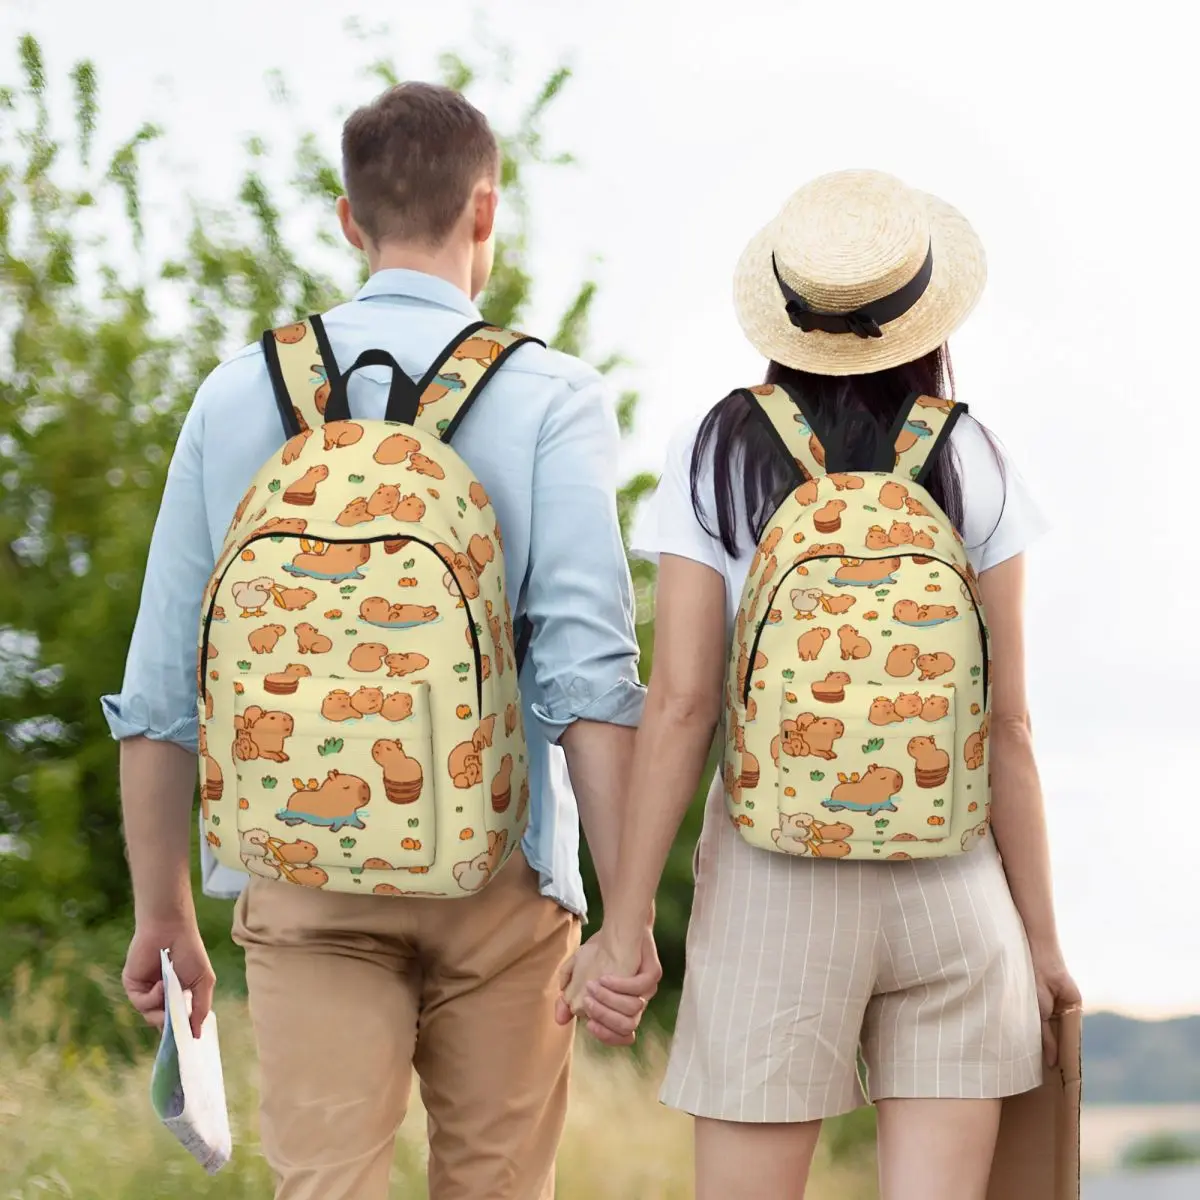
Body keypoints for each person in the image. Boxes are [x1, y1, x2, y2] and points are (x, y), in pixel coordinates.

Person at [105, 81, 658, 1200]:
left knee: (326, 1186)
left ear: (350, 220)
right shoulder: (550, 395)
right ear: (485, 213)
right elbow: (591, 678)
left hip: (300, 880)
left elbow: (164, 683)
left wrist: (163, 913)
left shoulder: (235, 394)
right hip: (502, 874)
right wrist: (627, 915)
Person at [560, 169, 1081, 1200]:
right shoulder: (973, 455)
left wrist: (624, 928)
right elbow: (1010, 724)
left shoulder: (716, 450)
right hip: (955, 882)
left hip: (773, 881)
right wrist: (1043, 944)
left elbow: (681, 706)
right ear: (924, 314)